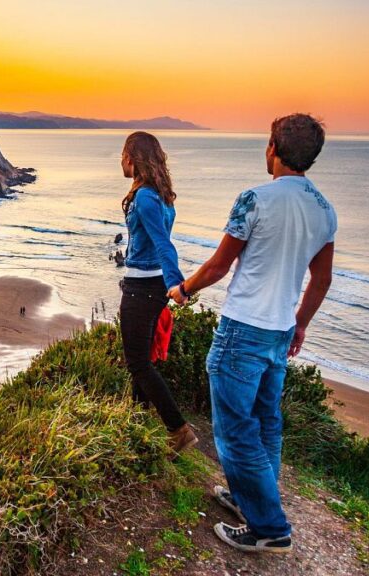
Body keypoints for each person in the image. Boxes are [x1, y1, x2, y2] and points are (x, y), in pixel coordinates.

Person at [169, 114, 336, 554]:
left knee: (236, 430)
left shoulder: (255, 199)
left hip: (243, 330)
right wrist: (300, 323)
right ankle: (251, 501)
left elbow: (220, 265)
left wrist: (184, 289)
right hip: (279, 331)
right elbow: (321, 280)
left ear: (273, 148)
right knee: (266, 424)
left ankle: (269, 528)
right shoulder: (324, 210)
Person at [118, 132, 196, 454]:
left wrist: (176, 283)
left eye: (124, 153)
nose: (121, 160)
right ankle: (136, 420)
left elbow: (164, 244)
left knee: (137, 363)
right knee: (143, 358)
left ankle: (178, 429)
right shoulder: (161, 196)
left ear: (134, 158)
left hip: (142, 287)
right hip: (151, 286)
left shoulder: (147, 197)